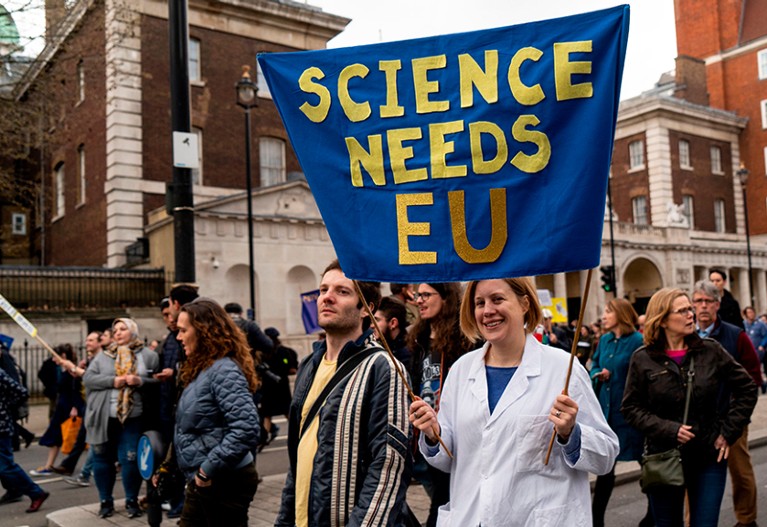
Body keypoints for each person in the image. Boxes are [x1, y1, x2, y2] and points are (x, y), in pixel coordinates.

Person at [410, 278, 618, 525]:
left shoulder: (563, 369)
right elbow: (448, 459)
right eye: (479, 303)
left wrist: (571, 433)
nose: (488, 311)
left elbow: (606, 456)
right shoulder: (461, 371)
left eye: (497, 299)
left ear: (524, 304)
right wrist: (434, 434)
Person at [276, 260, 410, 527]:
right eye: (323, 289)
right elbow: (298, 460)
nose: (327, 297)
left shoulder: (382, 367)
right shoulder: (308, 365)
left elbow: (388, 466)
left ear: (366, 309)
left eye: (342, 291)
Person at [622, 288, 757, 527]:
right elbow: (631, 407)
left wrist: (728, 431)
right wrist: (668, 429)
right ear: (662, 319)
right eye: (682, 310)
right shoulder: (643, 358)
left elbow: (747, 387)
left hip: (708, 455)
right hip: (663, 457)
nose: (690, 315)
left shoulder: (710, 350)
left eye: (689, 309)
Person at [173, 298, 261, 526]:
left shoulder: (223, 370)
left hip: (224, 480)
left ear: (204, 331)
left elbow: (246, 428)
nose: (178, 337)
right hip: (208, 478)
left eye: (183, 330)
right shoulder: (202, 368)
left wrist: (206, 470)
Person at [692, 281, 762, 527]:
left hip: (731, 417)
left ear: (717, 305)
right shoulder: (686, 336)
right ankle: (692, 521)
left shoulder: (735, 335)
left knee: (740, 471)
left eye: (708, 301)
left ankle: (746, 519)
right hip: (697, 421)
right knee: (693, 476)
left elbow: (753, 377)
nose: (703, 306)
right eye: (698, 301)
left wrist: (736, 412)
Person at [406, 282, 470, 527]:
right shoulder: (419, 339)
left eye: (426, 295)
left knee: (443, 503)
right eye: (417, 295)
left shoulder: (463, 338)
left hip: (452, 436)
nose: (419, 300)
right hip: (425, 435)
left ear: (445, 298)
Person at [83, 317, 160, 519]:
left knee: (131, 459)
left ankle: (131, 501)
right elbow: (88, 379)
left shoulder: (149, 356)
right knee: (102, 458)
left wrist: (140, 381)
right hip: (104, 416)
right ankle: (105, 501)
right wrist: (113, 381)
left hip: (134, 416)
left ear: (133, 331)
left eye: (122, 329)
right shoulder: (103, 356)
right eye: (115, 330)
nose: (117, 333)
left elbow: (158, 383)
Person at [589, 298, 650, 527]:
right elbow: (594, 364)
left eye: (608, 311)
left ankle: (653, 514)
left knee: (648, 466)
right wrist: (598, 374)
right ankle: (596, 520)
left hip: (631, 415)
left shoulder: (638, 341)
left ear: (621, 314)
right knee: (606, 469)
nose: (603, 316)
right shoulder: (604, 340)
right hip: (608, 414)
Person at [30, 344, 85, 477]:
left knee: (80, 439)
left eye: (55, 356)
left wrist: (75, 407)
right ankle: (49, 466)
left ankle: (90, 467)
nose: (53, 359)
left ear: (63, 356)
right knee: (55, 436)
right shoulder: (61, 369)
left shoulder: (72, 370)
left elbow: (75, 390)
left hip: (69, 407)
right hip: (62, 406)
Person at [55, 331, 103, 480]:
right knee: (84, 438)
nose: (87, 343)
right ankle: (72, 467)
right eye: (87, 340)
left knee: (96, 441)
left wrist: (76, 369)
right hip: (88, 404)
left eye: (91, 340)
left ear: (100, 342)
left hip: (99, 404)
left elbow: (95, 379)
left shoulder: (103, 360)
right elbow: (80, 383)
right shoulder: (88, 360)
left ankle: (83, 471)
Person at [0, 368, 49, 512]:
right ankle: (20, 491)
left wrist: (6, 407)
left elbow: (22, 392)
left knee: (6, 466)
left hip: (1, 428)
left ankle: (36, 493)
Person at [262, 327, 298, 445]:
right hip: (280, 385)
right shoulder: (282, 351)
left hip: (267, 386)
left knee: (267, 414)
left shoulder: (263, 352)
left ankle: (264, 437)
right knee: (286, 411)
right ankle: (297, 432)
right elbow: (288, 365)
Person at [373, 296, 412, 364]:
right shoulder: (386, 347)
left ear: (393, 323)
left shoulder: (406, 353)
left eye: (377, 320)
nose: (372, 325)